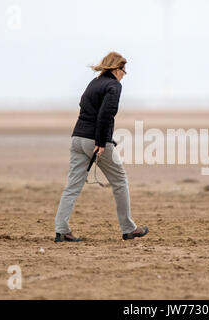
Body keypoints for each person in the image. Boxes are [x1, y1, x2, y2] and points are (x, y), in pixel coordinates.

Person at [54, 51, 149, 242]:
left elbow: (86, 107)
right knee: (120, 181)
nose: (125, 74)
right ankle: (128, 229)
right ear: (116, 68)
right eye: (124, 70)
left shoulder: (94, 83)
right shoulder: (114, 85)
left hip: (77, 139)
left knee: (72, 185)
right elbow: (106, 115)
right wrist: (100, 142)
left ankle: (61, 230)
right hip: (94, 141)